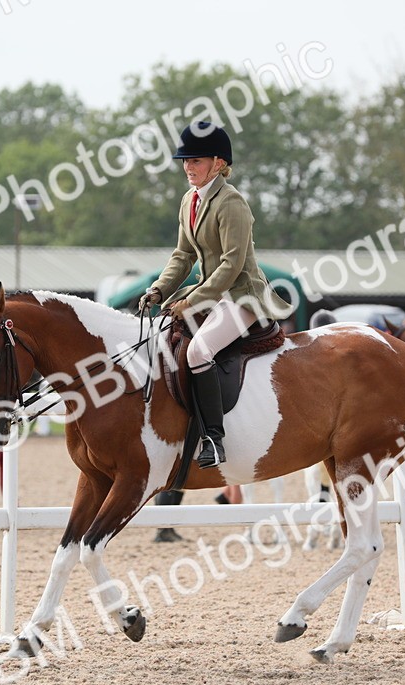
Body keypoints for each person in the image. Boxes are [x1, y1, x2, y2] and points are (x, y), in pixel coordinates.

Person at [138, 121, 294, 469]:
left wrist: (191, 300)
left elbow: (232, 265)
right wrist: (159, 289)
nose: (188, 167)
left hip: (242, 295)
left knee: (198, 351)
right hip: (212, 293)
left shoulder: (232, 203)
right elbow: (182, 256)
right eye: (185, 161)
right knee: (165, 339)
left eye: (196, 160)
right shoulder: (188, 201)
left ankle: (213, 438)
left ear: (219, 163)